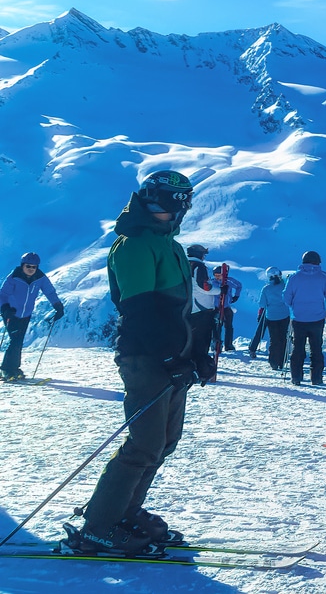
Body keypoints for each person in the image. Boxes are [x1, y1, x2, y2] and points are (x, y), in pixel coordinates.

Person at [66, 170, 203, 557]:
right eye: (175, 203)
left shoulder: (170, 244)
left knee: (163, 442)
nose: (178, 211)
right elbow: (140, 311)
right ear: (154, 201)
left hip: (170, 358)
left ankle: (123, 513)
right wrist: (167, 358)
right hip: (145, 357)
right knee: (144, 444)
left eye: (183, 204)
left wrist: (193, 355)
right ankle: (99, 526)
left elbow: (177, 312)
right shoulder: (135, 245)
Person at [0, 252, 64, 381]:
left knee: (18, 341)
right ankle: (6, 369)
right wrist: (5, 308)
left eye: (34, 267)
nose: (31, 269)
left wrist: (57, 305)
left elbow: (49, 291)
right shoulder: (14, 277)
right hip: (11, 313)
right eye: (28, 266)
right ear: (22, 265)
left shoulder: (40, 278)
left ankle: (14, 368)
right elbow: (2, 294)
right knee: (15, 340)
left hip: (26, 314)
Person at [283, 250, 326, 385]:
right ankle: (316, 378)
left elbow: (286, 298)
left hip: (298, 318)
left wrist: (295, 306)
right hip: (317, 319)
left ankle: (296, 377)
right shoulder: (324, 277)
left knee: (298, 347)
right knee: (316, 349)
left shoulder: (294, 277)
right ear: (318, 262)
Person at [184, 244, 224, 376]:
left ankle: (190, 367)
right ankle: (200, 369)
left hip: (188, 307)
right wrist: (219, 290)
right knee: (201, 341)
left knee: (190, 340)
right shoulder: (198, 266)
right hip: (201, 309)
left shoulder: (184, 264)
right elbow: (205, 287)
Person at [251, 267, 290, 368]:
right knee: (283, 338)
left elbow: (262, 304)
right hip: (285, 316)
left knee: (274, 339)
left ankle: (273, 361)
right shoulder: (285, 286)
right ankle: (282, 361)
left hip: (271, 316)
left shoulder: (266, 289)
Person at [212, 265, 242, 350]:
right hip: (216, 307)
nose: (217, 277)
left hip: (226, 307)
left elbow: (239, 285)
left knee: (228, 326)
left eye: (219, 275)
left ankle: (228, 344)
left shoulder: (228, 281)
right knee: (216, 326)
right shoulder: (212, 282)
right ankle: (216, 344)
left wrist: (236, 296)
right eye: (215, 275)